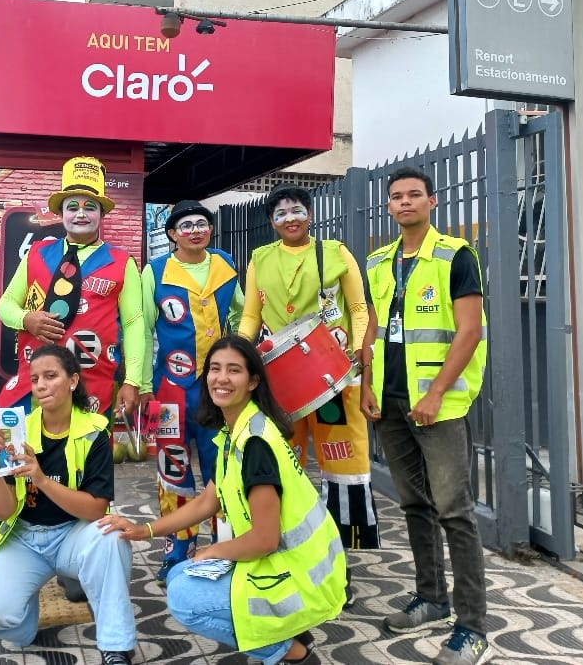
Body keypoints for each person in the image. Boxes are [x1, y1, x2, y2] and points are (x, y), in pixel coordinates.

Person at [100, 336, 346, 665]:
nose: (221, 379)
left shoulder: (256, 444)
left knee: (185, 597)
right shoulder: (237, 432)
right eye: (214, 369)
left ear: (253, 381)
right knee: (179, 574)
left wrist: (213, 550)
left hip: (302, 579)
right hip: (291, 566)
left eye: (234, 370)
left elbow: (265, 538)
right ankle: (286, 635)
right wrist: (143, 530)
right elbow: (206, 502)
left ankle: (292, 652)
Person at [361, 168, 490, 665]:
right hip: (390, 401)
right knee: (414, 504)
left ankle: (472, 625)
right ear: (389, 207)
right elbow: (372, 328)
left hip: (437, 405)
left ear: (431, 201)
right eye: (396, 197)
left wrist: (436, 392)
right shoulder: (378, 261)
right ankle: (431, 598)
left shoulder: (456, 255)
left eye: (414, 194)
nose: (405, 202)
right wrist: (368, 387)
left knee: (454, 511)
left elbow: (469, 330)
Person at [237, 185, 377, 605]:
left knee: (345, 470)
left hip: (334, 378)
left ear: (310, 214)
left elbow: (358, 309)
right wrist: (242, 357)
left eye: (296, 211)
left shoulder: (335, 252)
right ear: (271, 221)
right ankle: (289, 555)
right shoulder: (260, 259)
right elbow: (250, 314)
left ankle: (340, 567)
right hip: (280, 380)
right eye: (280, 214)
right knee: (284, 468)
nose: (289, 219)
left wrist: (358, 354)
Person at [0, 344, 137, 665]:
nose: (41, 385)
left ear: (73, 381)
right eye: (35, 379)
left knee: (112, 537)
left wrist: (42, 479)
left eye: (50, 376)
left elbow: (96, 509)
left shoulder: (94, 431)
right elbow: (3, 512)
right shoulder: (18, 431)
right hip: (25, 538)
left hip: (75, 535)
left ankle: (115, 645)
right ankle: (26, 618)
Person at [0, 156, 147, 422]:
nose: (80, 213)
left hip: (92, 388)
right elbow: (6, 304)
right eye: (72, 207)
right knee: (23, 458)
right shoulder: (36, 254)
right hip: (35, 382)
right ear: (61, 213)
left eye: (90, 207)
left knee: (85, 460)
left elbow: (135, 324)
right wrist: (26, 319)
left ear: (101, 214)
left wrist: (133, 381)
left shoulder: (122, 262)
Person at [142, 199, 244, 580]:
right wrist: (140, 384)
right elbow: (143, 328)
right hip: (169, 390)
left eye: (202, 224)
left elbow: (239, 313)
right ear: (172, 234)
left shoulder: (225, 265)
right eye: (186, 226)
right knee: (172, 467)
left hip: (219, 390)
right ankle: (177, 546)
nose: (195, 231)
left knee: (222, 464)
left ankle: (224, 544)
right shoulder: (155, 271)